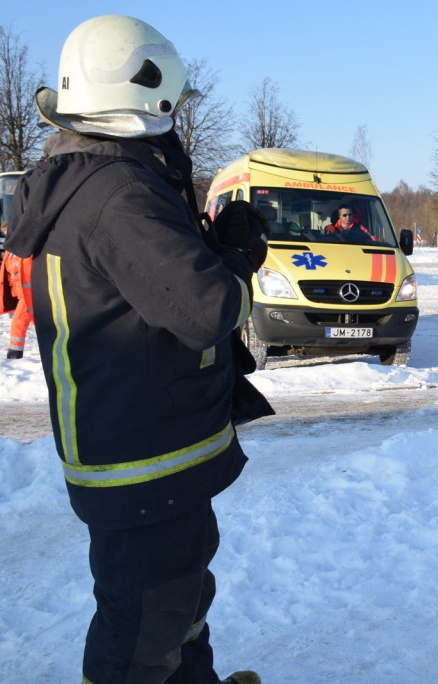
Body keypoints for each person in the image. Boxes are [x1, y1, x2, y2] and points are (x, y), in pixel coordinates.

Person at [3, 16, 270, 684]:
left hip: (142, 446)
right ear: (142, 95)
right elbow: (205, 307)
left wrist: (209, 246)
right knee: (143, 628)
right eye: (173, 101)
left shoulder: (97, 181)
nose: (179, 113)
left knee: (178, 604)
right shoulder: (119, 194)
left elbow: (148, 288)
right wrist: (239, 260)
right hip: (145, 458)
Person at [0, 239, 33, 359]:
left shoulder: (26, 246)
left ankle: (15, 353)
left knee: (19, 321)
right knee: (37, 323)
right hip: (20, 292)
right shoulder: (9, 250)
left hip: (29, 293)